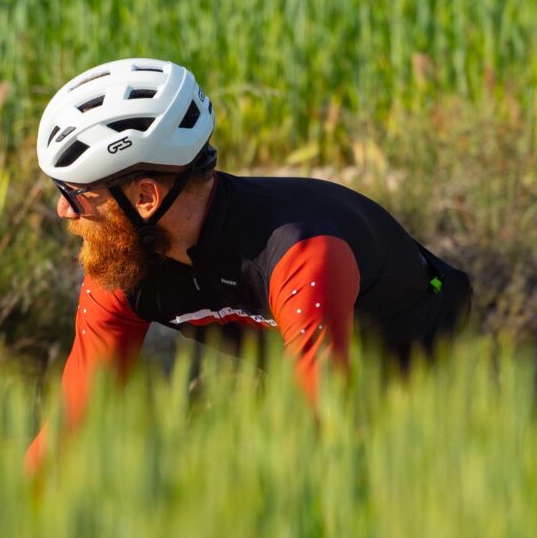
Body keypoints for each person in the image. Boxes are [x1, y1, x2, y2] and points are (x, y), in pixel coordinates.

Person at [27, 57, 471, 471]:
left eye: (76, 196)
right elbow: (74, 420)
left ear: (145, 198)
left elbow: (326, 435)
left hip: (448, 389)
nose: (63, 212)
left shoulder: (300, 253)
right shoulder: (123, 263)